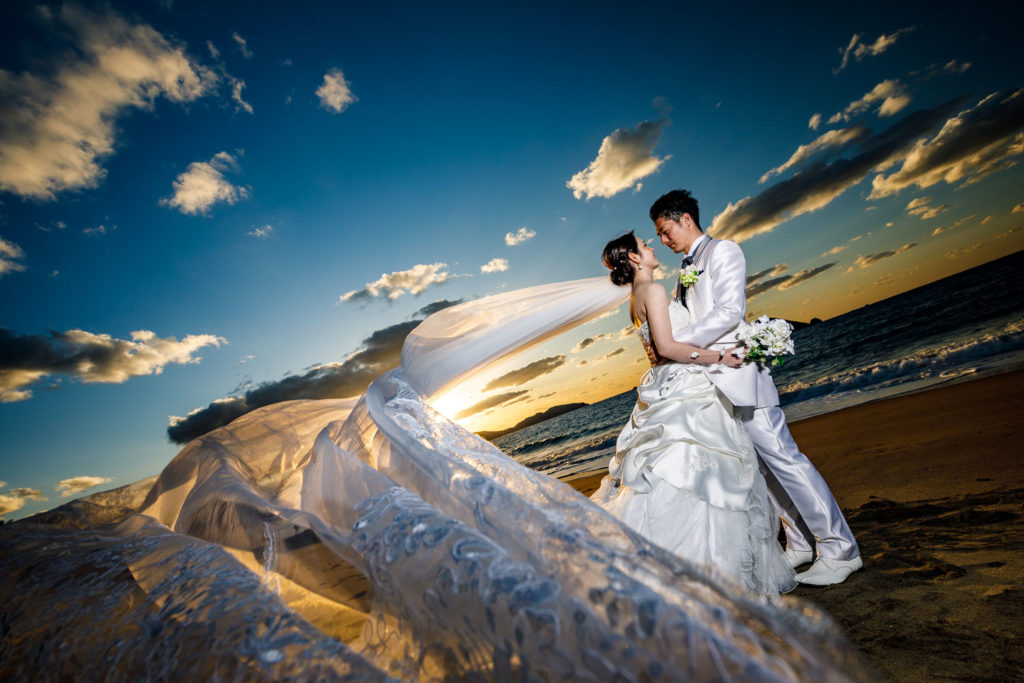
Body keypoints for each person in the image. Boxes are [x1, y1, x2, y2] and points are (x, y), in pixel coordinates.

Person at [649, 188, 862, 585]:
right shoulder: (685, 271)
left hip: (741, 376)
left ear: (685, 220)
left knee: (786, 461)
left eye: (665, 231)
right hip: (711, 385)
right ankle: (798, 543)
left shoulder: (724, 251)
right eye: (659, 235)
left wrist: (676, 347)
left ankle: (840, 549)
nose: (663, 241)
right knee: (760, 472)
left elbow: (730, 313)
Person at [591, 231, 796, 597]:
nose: (653, 247)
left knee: (682, 475)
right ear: (635, 259)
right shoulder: (651, 292)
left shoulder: (638, 297)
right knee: (702, 476)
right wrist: (721, 356)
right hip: (684, 385)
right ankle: (713, 576)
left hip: (668, 384)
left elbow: (657, 348)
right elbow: (668, 347)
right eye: (645, 245)